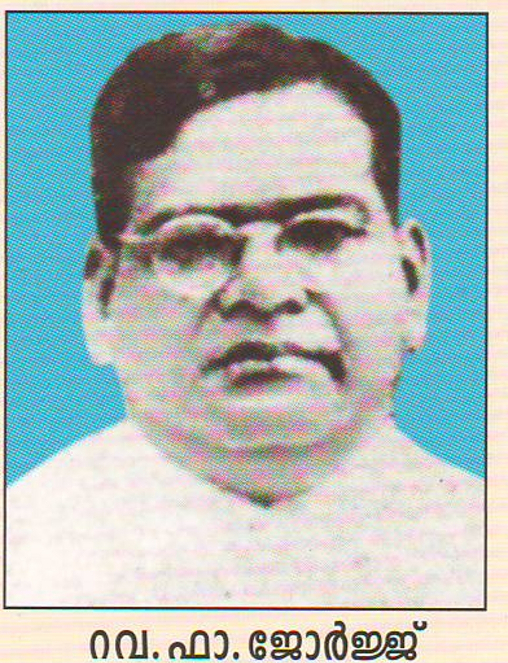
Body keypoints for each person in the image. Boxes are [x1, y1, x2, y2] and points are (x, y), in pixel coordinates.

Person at [7, 22, 484, 607]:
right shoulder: (25, 559)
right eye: (194, 245)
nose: (265, 291)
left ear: (411, 282)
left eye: (322, 234)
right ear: (103, 300)